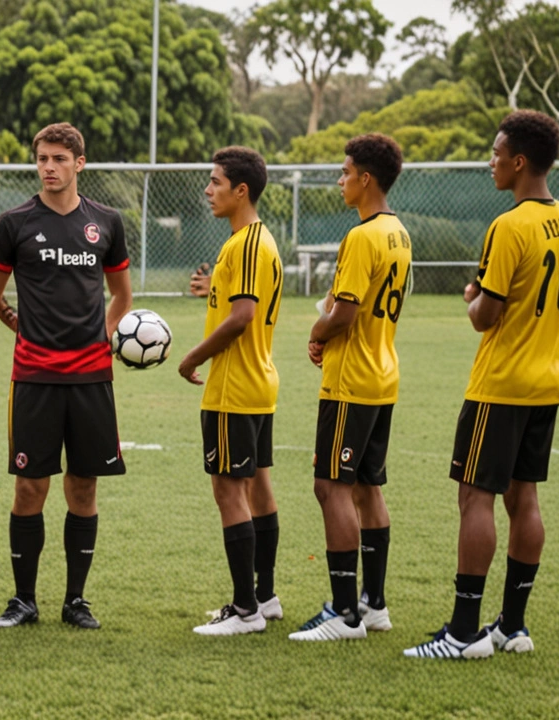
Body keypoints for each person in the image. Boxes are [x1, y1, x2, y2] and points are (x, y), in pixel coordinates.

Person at [404, 110, 559, 660]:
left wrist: (472, 295)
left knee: (475, 496)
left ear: (519, 161)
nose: (491, 161)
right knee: (523, 497)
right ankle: (513, 626)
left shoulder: (510, 225)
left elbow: (486, 315)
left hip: (501, 384)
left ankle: (462, 632)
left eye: (497, 153)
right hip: (549, 381)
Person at [0, 122, 132, 630]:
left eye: (59, 159)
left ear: (79, 163)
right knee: (30, 489)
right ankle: (24, 600)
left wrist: (102, 334)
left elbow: (121, 295)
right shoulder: (14, 223)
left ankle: (76, 600)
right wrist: (15, 322)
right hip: (35, 377)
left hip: (91, 378)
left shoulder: (106, 222)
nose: (49, 167)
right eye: (42, 158)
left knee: (83, 489)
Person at [288, 134, 409, 642]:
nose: (340, 180)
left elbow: (345, 311)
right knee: (366, 487)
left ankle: (343, 613)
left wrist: (316, 334)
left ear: (366, 178)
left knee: (330, 486)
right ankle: (373, 604)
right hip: (382, 376)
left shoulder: (361, 237)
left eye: (344, 172)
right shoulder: (398, 231)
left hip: (351, 382)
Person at [179, 146, 283, 637]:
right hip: (260, 383)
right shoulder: (261, 241)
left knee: (228, 490)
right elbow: (241, 301)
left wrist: (193, 356)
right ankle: (265, 594)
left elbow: (242, 317)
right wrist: (211, 292)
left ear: (241, 190)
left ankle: (246, 611)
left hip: (234, 387)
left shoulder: (243, 244)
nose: (208, 189)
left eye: (216, 181)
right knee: (258, 488)